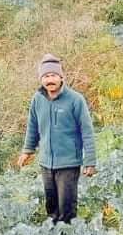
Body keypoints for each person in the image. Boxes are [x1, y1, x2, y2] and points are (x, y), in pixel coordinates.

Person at [16, 54, 96, 223]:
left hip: (68, 163)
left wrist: (90, 161)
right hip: (46, 162)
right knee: (51, 204)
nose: (49, 80)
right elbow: (32, 126)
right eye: (45, 76)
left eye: (53, 75)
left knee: (66, 205)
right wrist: (27, 150)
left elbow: (87, 131)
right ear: (41, 79)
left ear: (61, 77)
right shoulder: (37, 99)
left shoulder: (75, 100)